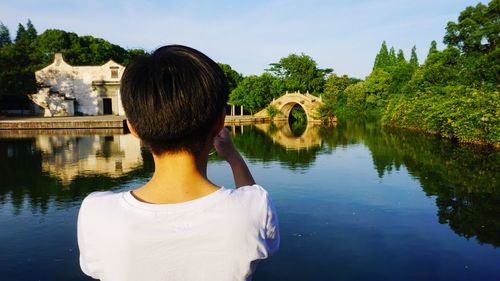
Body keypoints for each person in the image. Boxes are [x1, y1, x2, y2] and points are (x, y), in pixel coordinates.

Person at [77, 45, 280, 281]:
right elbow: (251, 198)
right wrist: (234, 158)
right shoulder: (253, 209)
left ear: (133, 128)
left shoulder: (97, 214)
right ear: (219, 124)